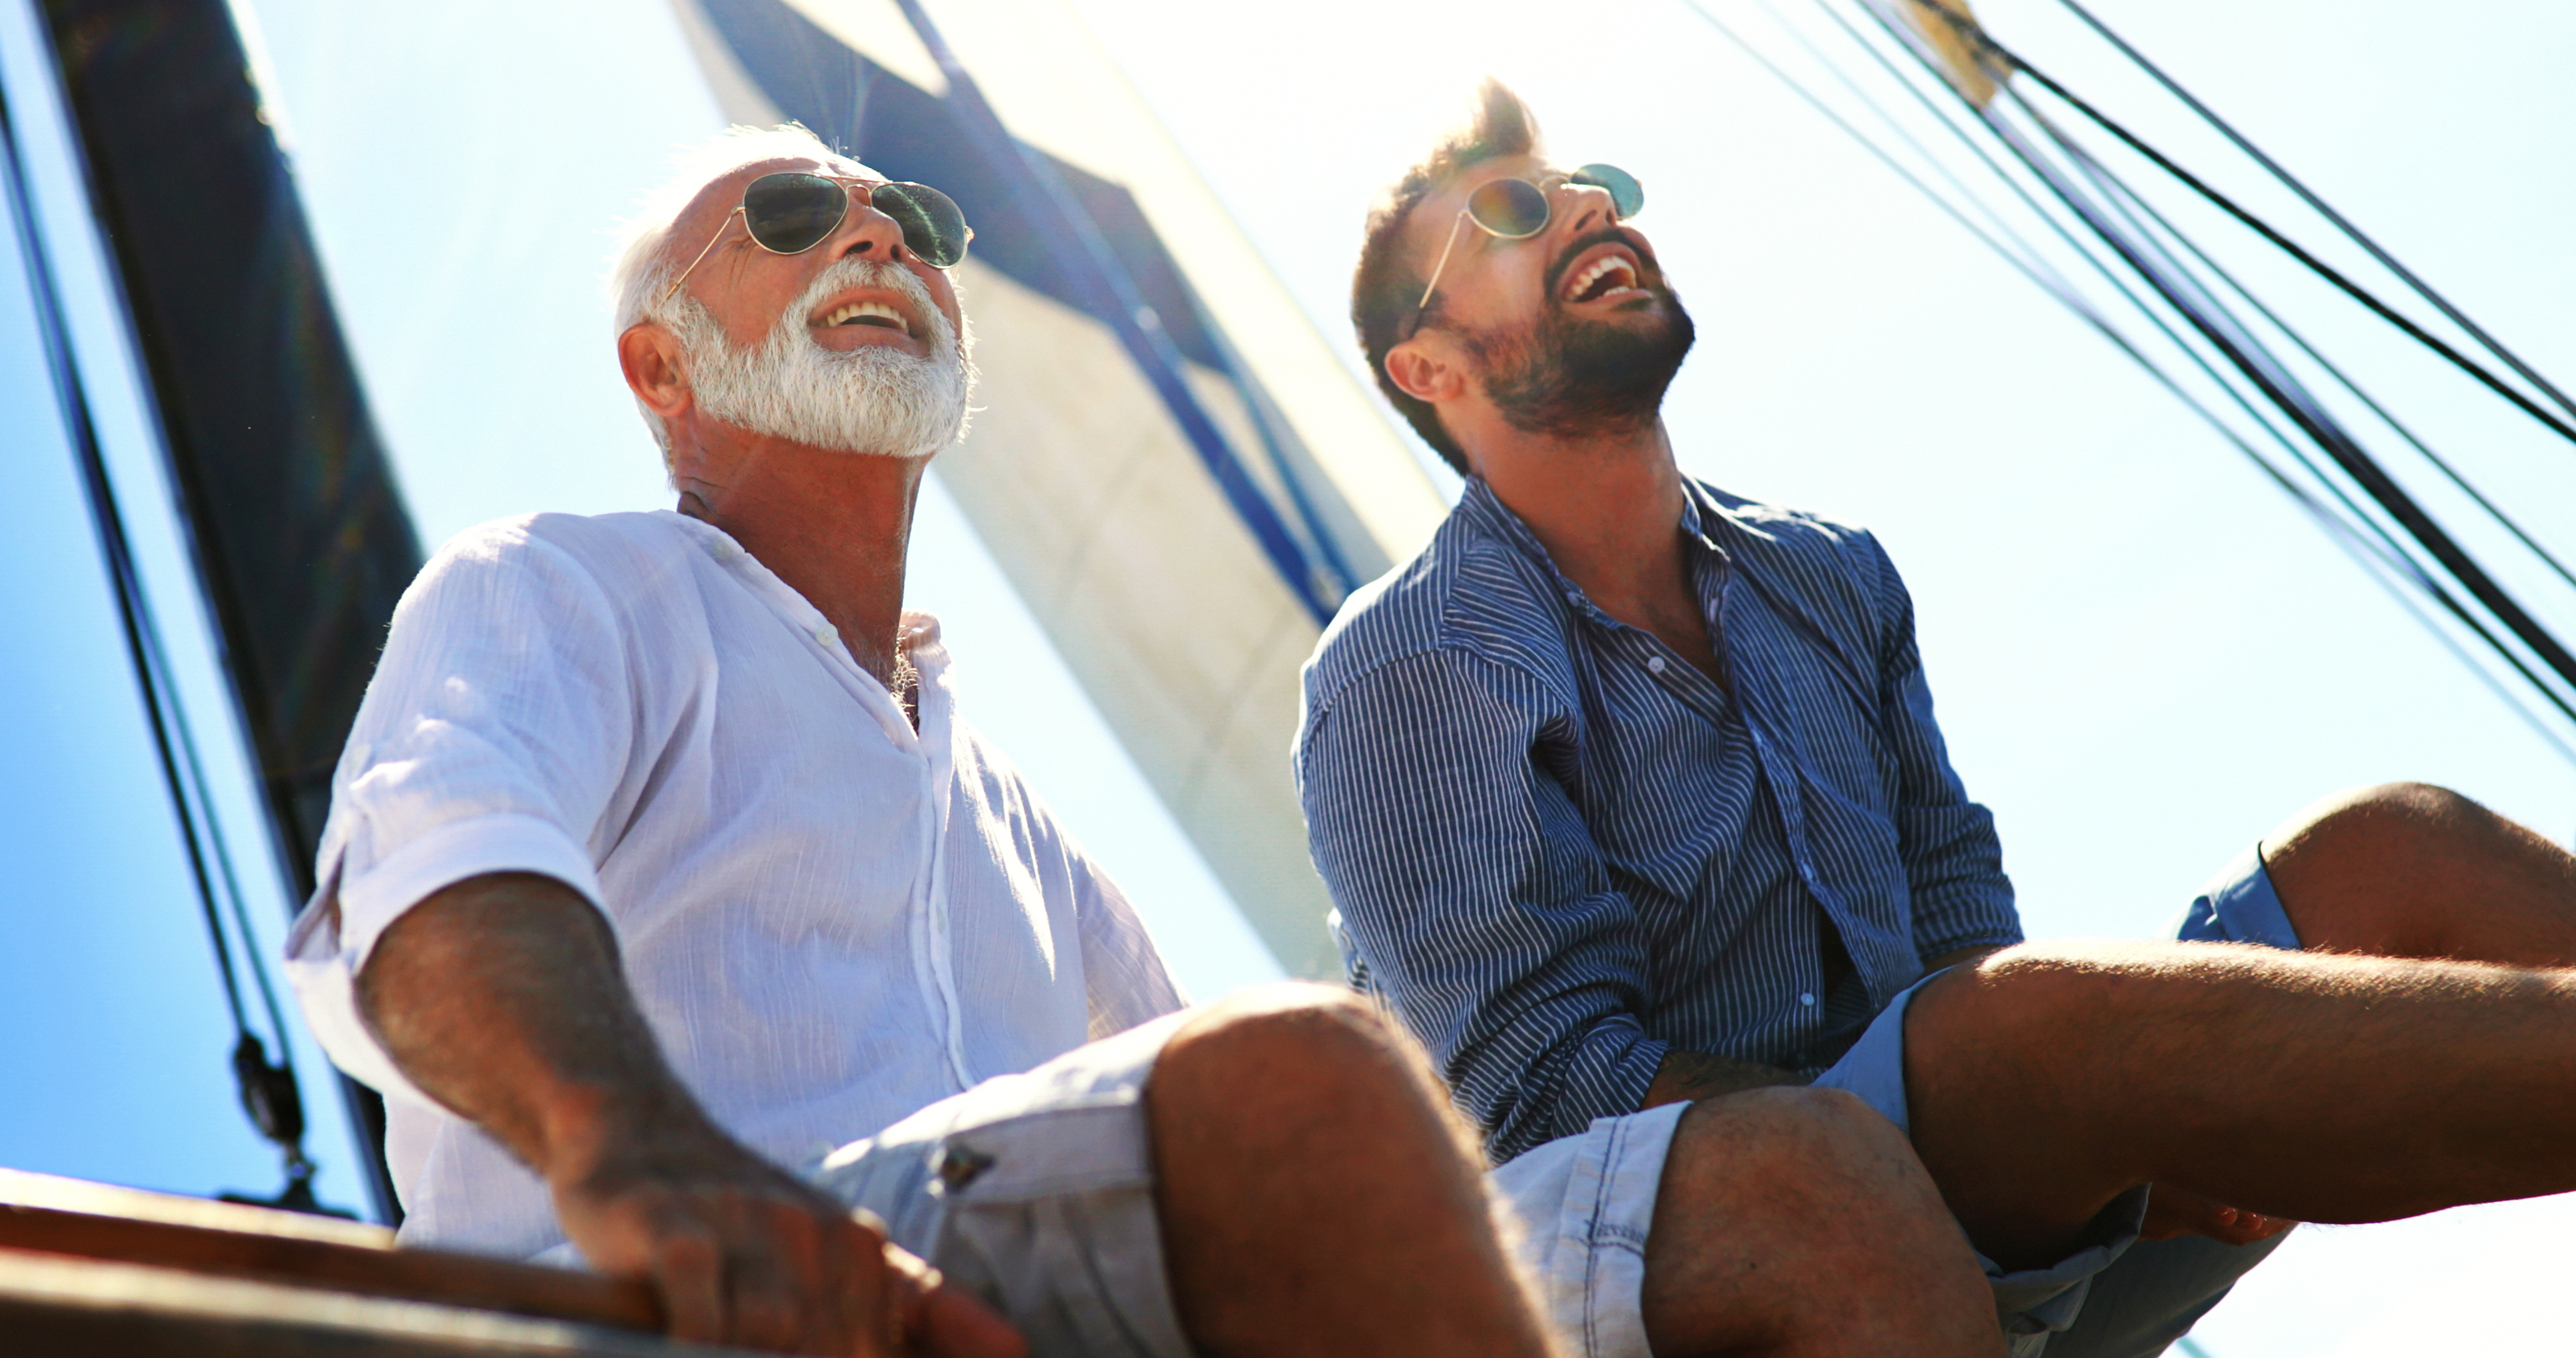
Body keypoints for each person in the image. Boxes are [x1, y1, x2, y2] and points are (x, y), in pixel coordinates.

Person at [283, 124, 2002, 1358]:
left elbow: (1216, 1107)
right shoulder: (565, 590)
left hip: (1034, 1301)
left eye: (917, 221)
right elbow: (430, 876)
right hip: (643, 1306)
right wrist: (639, 1157)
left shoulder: (1017, 823)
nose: (880, 237)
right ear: (661, 367)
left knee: (1803, 1194)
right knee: (1306, 1077)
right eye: (798, 212)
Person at [1298, 79, 2576, 1358]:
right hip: (1720, 1281)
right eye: (1513, 208)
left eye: (1596, 185)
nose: (1584, 201)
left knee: (2383, 853)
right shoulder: (1408, 664)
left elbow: (1963, 923)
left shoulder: (1829, 575)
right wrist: (2070, 1105)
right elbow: (1553, 1094)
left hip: (1998, 1222)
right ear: (1432, 365)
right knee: (2009, 1032)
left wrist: (2105, 1121)